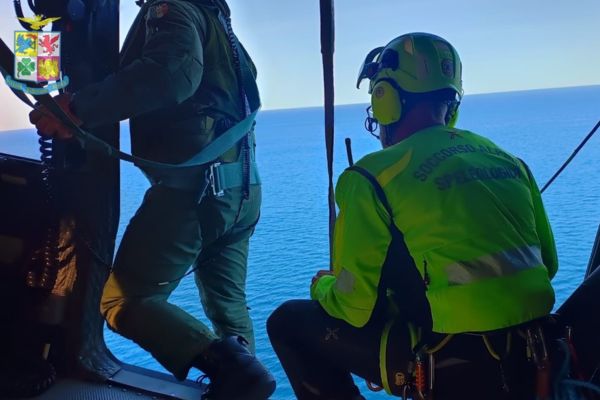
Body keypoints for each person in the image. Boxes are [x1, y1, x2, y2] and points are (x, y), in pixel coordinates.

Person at [267, 32, 558, 400]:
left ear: (384, 99)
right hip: (536, 350)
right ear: (451, 103)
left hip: (453, 360)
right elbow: (548, 266)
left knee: (287, 323)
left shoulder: (371, 176)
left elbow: (354, 307)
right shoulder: (510, 161)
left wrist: (322, 286)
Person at [29, 1, 275, 399]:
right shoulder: (218, 24)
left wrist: (77, 108)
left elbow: (171, 75)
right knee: (228, 309)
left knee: (123, 300)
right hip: (241, 192)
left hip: (195, 193)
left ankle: (239, 375)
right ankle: (242, 383)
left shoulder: (173, 9)